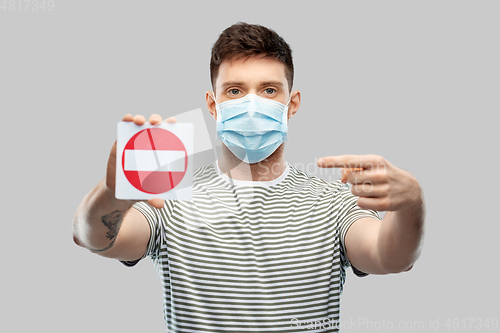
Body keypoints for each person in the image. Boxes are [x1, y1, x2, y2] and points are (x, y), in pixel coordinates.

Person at [73, 22, 425, 332]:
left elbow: (390, 257)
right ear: (213, 105)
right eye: (235, 91)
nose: (252, 105)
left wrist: (410, 205)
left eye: (269, 90)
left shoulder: (332, 200)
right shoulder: (171, 195)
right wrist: (113, 192)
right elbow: (96, 240)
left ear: (293, 103)